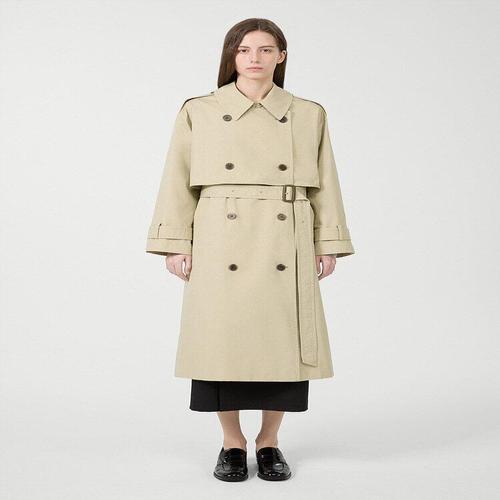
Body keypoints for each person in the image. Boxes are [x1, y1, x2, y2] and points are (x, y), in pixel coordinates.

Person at [145, 17, 355, 482]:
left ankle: (269, 441)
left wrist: (328, 242)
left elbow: (326, 182)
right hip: (220, 236)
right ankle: (232, 443)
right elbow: (176, 179)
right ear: (232, 57)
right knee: (221, 341)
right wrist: (175, 243)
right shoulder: (199, 110)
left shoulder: (308, 113)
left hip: (287, 233)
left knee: (284, 344)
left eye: (264, 50)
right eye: (244, 50)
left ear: (281, 56)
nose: (254, 58)